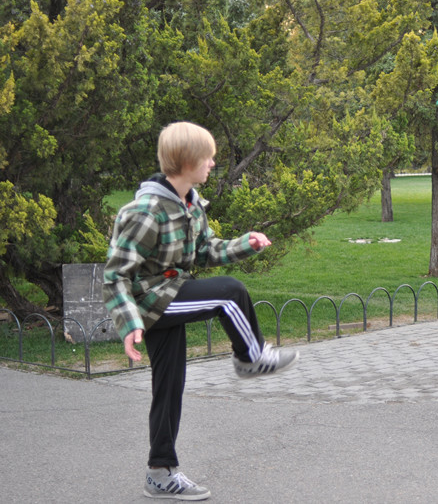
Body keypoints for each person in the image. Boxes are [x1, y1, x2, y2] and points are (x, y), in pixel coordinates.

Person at [103, 121, 299, 500]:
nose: (213, 162)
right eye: (207, 156)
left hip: (170, 296)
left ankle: (160, 472)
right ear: (186, 160)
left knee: (169, 387)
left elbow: (205, 252)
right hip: (151, 301)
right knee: (230, 293)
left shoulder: (191, 204)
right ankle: (251, 357)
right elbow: (116, 275)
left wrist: (247, 244)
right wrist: (129, 323)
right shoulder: (146, 211)